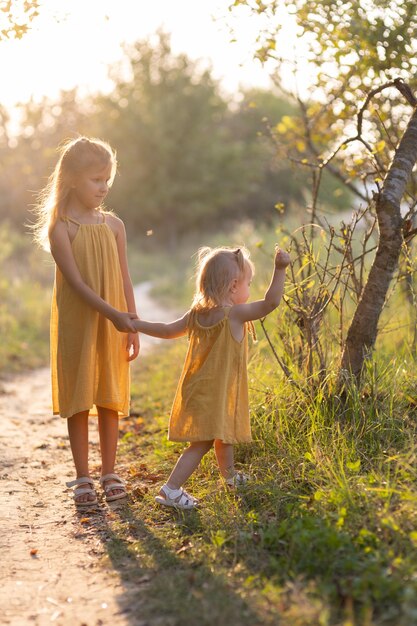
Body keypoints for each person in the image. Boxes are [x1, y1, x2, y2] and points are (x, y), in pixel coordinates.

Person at [129, 244, 290, 509]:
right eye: (249, 283)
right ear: (233, 286)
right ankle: (171, 489)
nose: (250, 290)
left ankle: (229, 477)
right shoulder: (235, 315)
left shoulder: (197, 315)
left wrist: (137, 324)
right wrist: (280, 269)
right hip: (214, 392)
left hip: (201, 389)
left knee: (222, 433)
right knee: (201, 442)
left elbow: (167, 330)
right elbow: (271, 302)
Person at [32, 136, 139, 507]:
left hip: (114, 324)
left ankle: (109, 471)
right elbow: (76, 285)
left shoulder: (114, 225)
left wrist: (132, 321)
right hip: (80, 323)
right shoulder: (62, 228)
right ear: (74, 179)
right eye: (96, 178)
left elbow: (125, 277)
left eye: (107, 178)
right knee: (79, 398)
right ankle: (82, 477)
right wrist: (113, 314)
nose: (104, 186)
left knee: (109, 395)